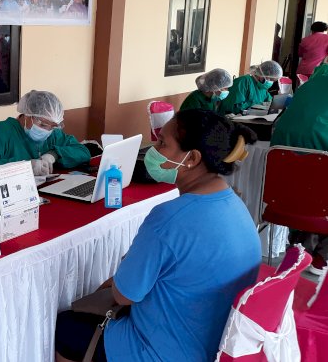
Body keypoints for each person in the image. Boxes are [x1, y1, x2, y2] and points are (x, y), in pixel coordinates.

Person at [55, 109, 261, 362]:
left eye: (162, 143)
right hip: (217, 343)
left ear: (192, 158)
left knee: (64, 327)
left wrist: (123, 271)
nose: (153, 149)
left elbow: (123, 295)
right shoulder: (235, 203)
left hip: (163, 350)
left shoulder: (170, 217)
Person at [271, 72, 328, 274]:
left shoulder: (313, 82)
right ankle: (321, 255)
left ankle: (299, 245)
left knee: (308, 190)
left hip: (282, 197)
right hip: (318, 169)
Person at [0, 90, 91, 179]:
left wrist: (54, 154)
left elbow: (82, 151)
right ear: (27, 115)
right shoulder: (3, 132)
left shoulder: (53, 134)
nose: (47, 131)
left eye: (53, 126)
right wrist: (25, 167)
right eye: (43, 125)